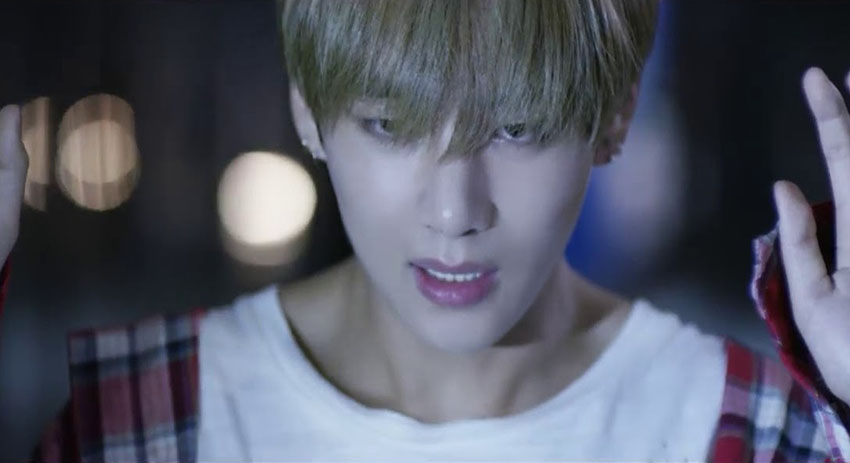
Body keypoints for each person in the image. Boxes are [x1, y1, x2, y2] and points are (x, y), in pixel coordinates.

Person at [1, 0, 850, 461]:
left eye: (517, 128)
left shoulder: (759, 427)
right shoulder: (133, 419)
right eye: (390, 124)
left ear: (614, 114)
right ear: (307, 106)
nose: (454, 213)